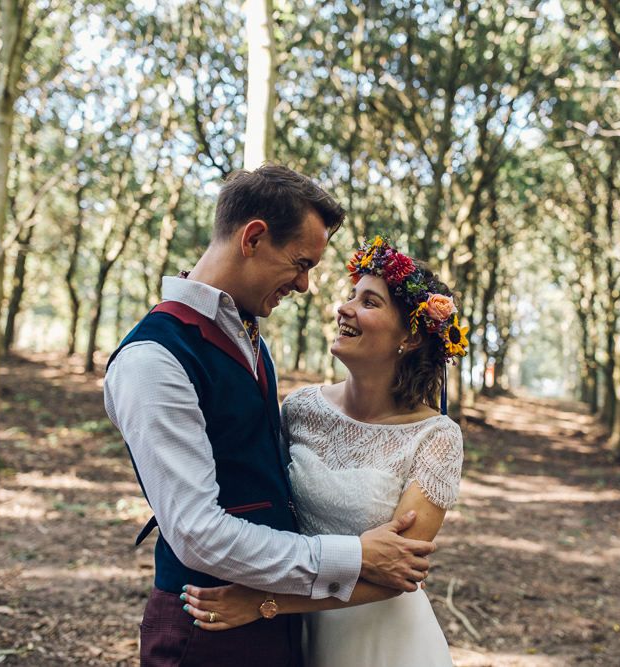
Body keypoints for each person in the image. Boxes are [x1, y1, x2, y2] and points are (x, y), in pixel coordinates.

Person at [104, 168, 437, 667]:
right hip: (209, 624)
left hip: (280, 623)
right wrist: (355, 555)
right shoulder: (154, 359)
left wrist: (274, 606)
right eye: (301, 264)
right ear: (253, 237)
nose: (305, 286)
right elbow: (196, 532)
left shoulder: (246, 334)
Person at [180, 235, 470, 667]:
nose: (344, 308)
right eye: (350, 296)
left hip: (383, 639)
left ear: (409, 337)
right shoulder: (299, 409)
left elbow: (398, 575)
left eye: (369, 302)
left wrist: (264, 603)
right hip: (295, 637)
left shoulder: (436, 437)